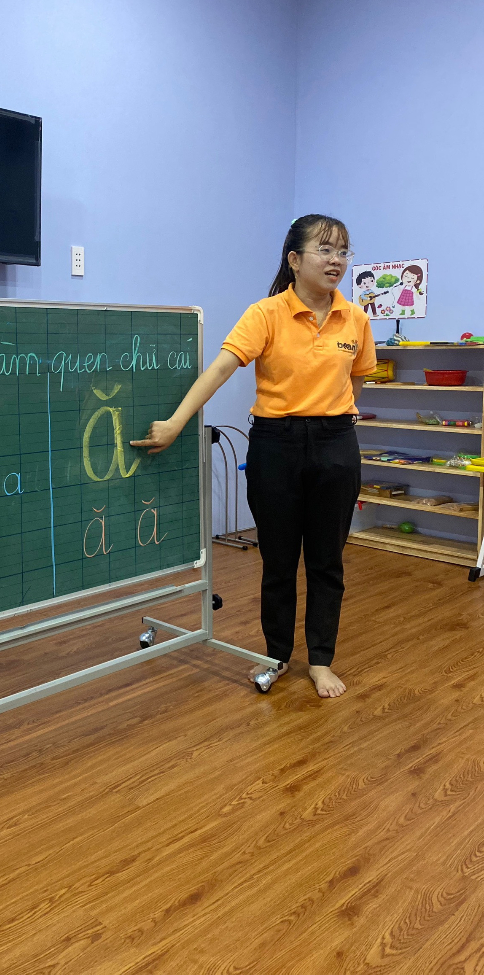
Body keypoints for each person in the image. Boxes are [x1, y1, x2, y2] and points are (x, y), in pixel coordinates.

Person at [131, 215, 376, 699]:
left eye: (343, 251)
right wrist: (177, 422)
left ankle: (321, 661)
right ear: (294, 259)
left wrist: (332, 419)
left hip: (336, 446)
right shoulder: (266, 313)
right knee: (278, 560)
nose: (336, 261)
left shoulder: (356, 318)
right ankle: (277, 654)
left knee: (327, 562)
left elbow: (358, 379)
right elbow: (220, 369)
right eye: (325, 250)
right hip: (275, 445)